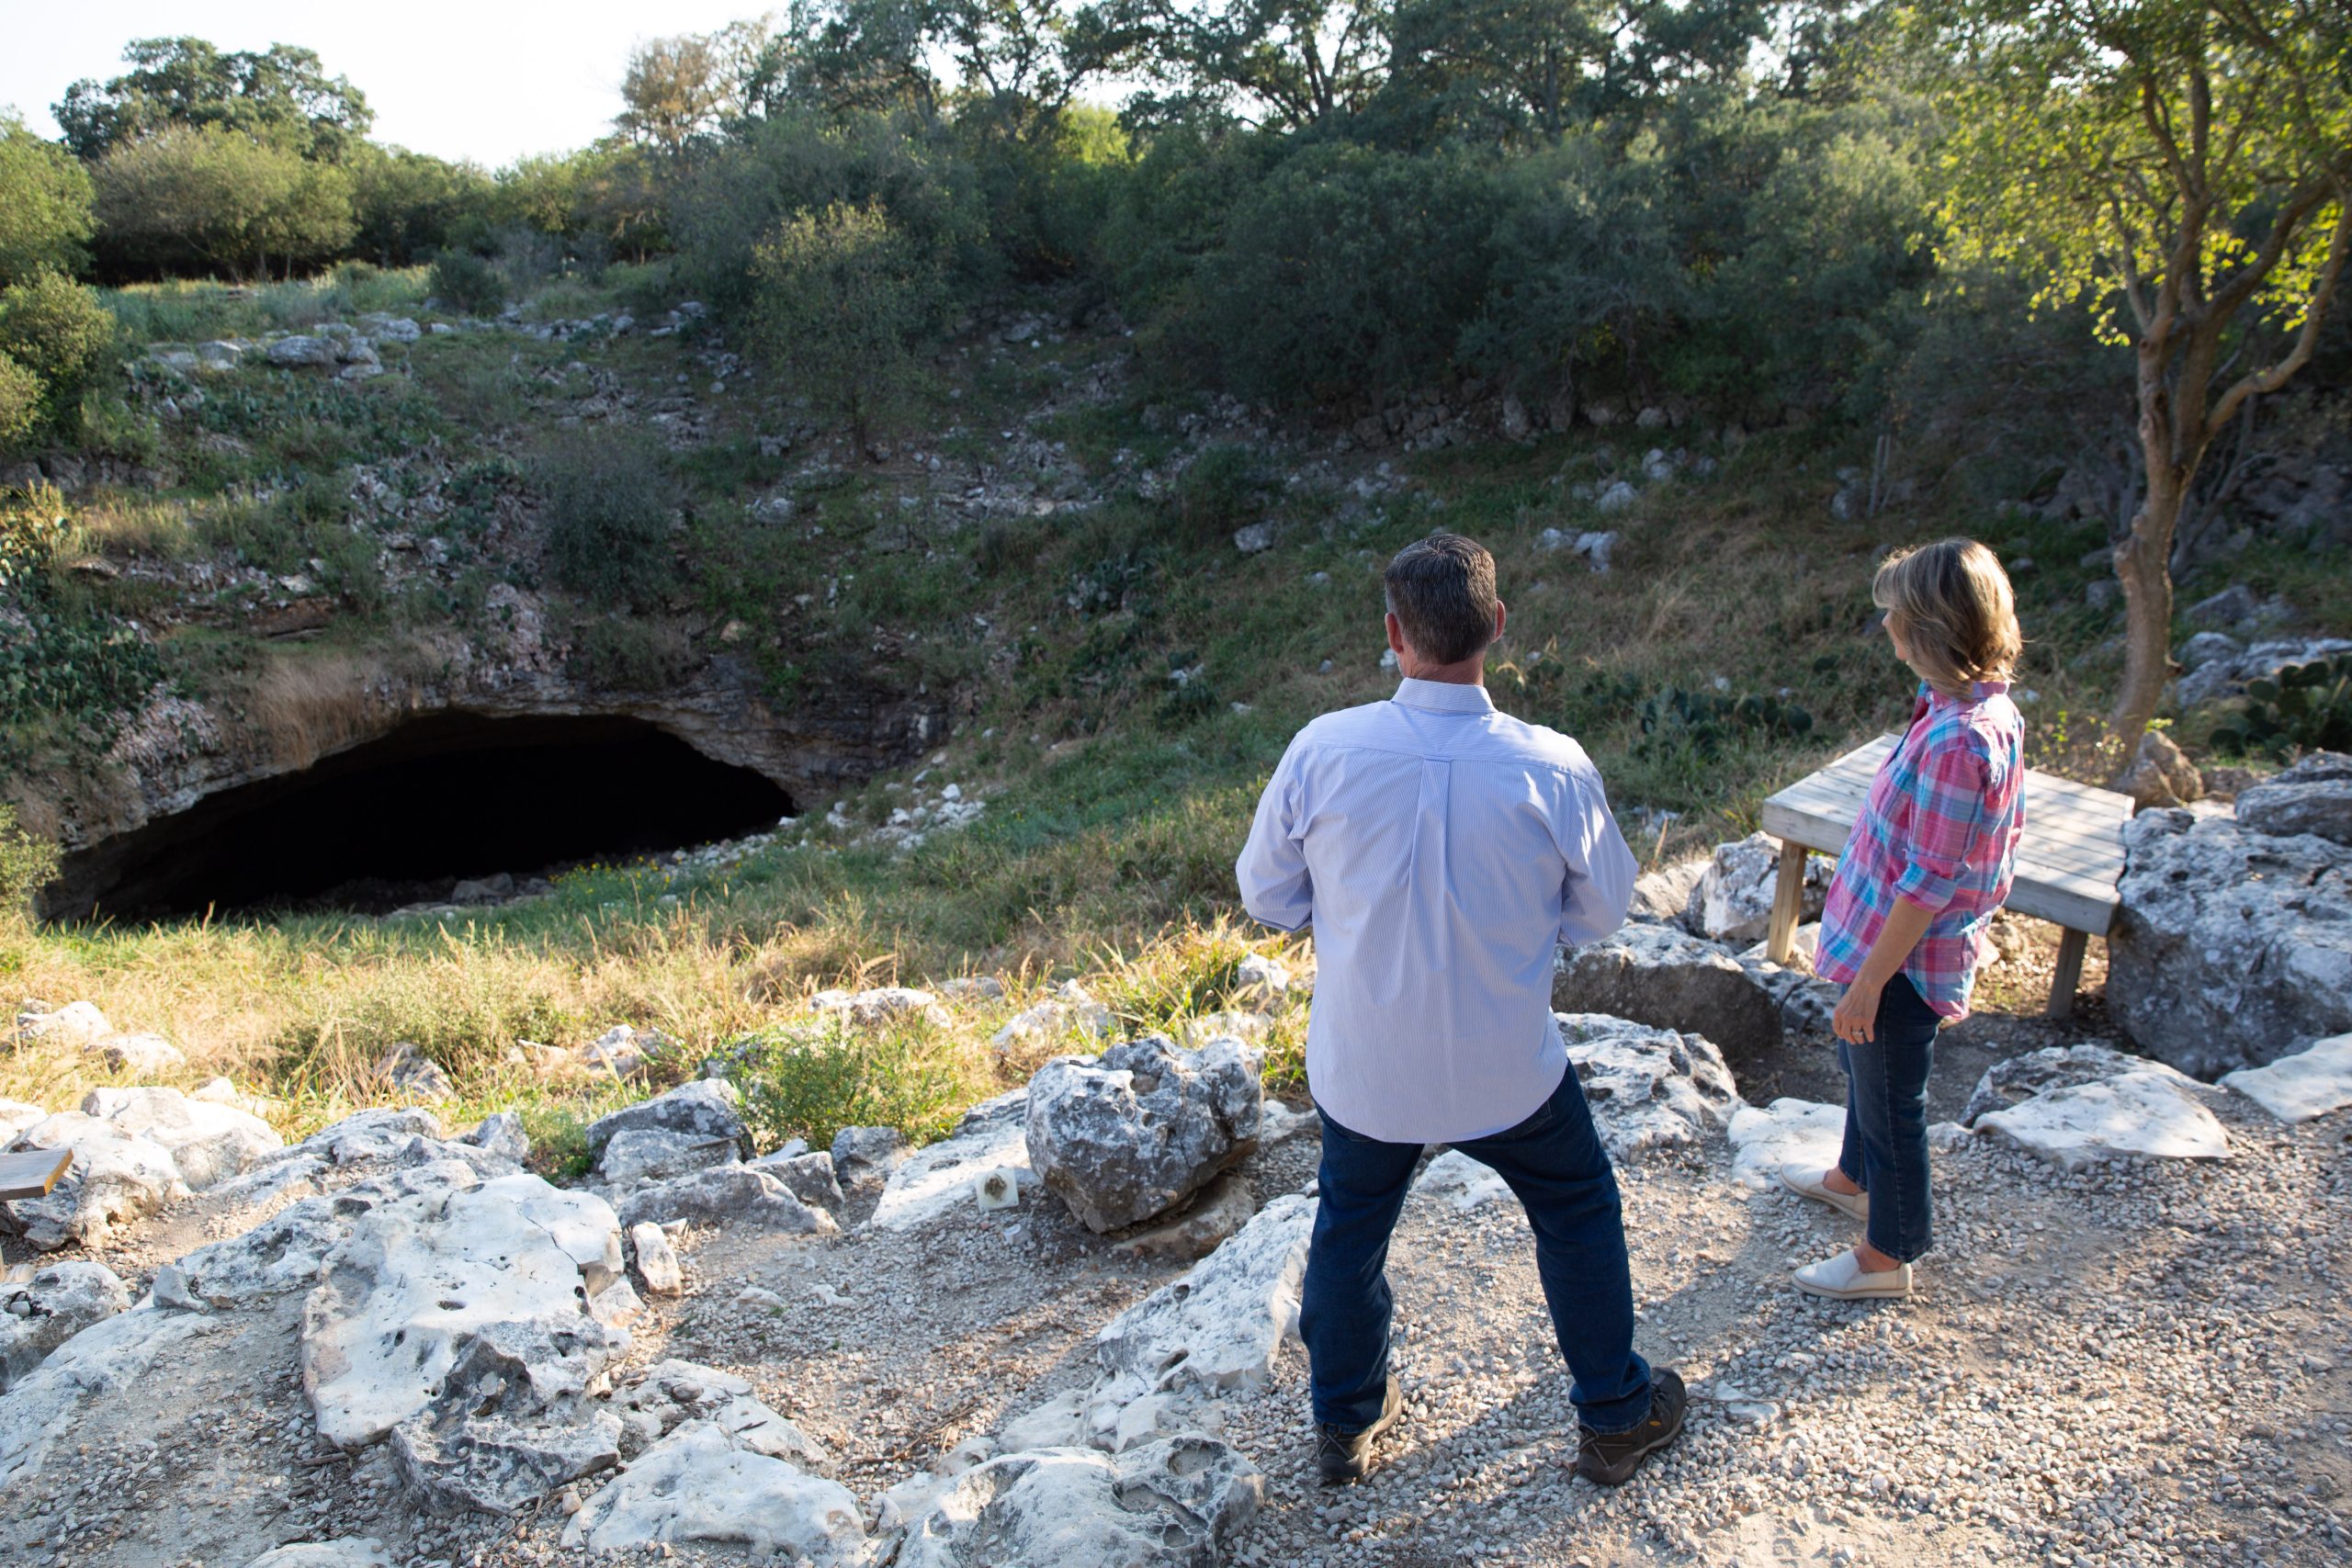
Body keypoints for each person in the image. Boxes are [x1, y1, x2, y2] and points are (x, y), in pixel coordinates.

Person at [1236, 533, 1684, 1490]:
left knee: (1348, 1235)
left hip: (1368, 1072)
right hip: (1506, 1069)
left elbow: (1267, 896)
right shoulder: (1552, 765)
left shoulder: (1323, 749)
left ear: (1392, 634)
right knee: (1576, 1210)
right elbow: (1602, 912)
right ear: (1498, 628)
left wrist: (1350, 916)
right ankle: (1612, 1410)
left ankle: (1345, 1424)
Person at [1782, 538, 2027, 1302]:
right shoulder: (1963, 706)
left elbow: (1926, 884)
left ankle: (1888, 1251)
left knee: (1892, 1101)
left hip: (1906, 963)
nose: (1884, 628)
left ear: (1929, 629)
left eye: (1893, 615)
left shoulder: (1960, 739)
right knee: (1867, 1073)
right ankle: (1853, 1178)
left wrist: (1868, 984)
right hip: (1887, 953)